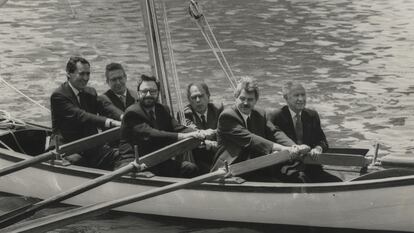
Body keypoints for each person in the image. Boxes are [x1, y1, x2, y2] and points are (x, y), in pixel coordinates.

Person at [211, 76, 310, 181]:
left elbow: (275, 132)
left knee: (296, 177)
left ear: (256, 100)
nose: (245, 103)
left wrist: (294, 147)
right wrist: (283, 148)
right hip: (230, 169)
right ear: (235, 97)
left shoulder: (260, 113)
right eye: (242, 98)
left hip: (257, 165)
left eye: (250, 100)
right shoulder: (227, 116)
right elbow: (251, 139)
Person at [117, 75, 214, 177]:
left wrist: (199, 133)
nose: (148, 94)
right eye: (144, 91)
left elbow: (177, 127)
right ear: (138, 93)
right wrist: (183, 136)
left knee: (191, 168)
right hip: (134, 162)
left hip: (157, 160)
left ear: (158, 93)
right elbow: (151, 133)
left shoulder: (162, 109)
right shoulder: (132, 112)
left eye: (153, 91)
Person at [50, 56, 122, 170]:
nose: (86, 78)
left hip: (89, 146)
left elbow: (105, 106)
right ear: (69, 73)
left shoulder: (90, 92)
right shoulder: (58, 95)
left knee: (120, 156)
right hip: (66, 148)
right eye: (82, 74)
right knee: (79, 162)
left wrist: (123, 116)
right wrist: (112, 123)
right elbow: (81, 116)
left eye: (88, 74)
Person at [268, 81, 341, 182]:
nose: (301, 99)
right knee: (302, 180)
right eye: (296, 95)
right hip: (286, 167)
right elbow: (270, 145)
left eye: (303, 95)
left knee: (336, 182)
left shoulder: (312, 115)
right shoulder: (275, 116)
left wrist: (318, 148)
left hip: (311, 165)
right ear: (286, 98)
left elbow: (322, 141)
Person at [183, 82, 224, 174]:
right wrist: (207, 141)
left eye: (201, 96)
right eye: (194, 97)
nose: (198, 100)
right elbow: (194, 133)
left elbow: (224, 130)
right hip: (199, 156)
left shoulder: (218, 109)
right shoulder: (186, 114)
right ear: (189, 100)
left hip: (218, 152)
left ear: (208, 96)